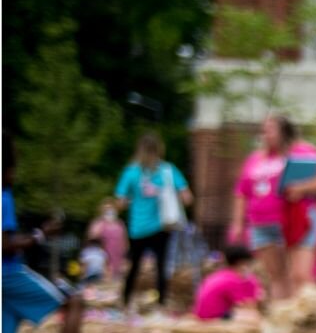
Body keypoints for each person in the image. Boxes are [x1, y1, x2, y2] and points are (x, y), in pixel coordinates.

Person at [229, 114, 316, 301]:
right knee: (276, 277)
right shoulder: (255, 159)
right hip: (262, 224)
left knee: (300, 275)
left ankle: (304, 318)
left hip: (298, 221)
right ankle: (282, 318)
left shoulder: (304, 152)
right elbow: (242, 192)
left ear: (284, 131)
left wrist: (302, 188)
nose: (265, 134)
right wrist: (237, 223)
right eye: (264, 130)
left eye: (270, 130)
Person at [3, 184, 85, 333]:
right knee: (75, 302)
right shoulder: (4, 197)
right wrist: (41, 234)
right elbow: (5, 245)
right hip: (8, 274)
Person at [115, 133, 192, 312]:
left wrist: (130, 201)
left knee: (134, 266)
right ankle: (161, 304)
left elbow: (120, 202)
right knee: (161, 266)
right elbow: (187, 197)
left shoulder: (131, 172)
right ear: (159, 150)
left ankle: (125, 302)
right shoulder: (168, 170)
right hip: (161, 226)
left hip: (138, 227)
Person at [194, 245, 264, 322]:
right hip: (213, 318)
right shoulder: (233, 280)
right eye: (248, 263)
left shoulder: (220, 275)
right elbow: (248, 305)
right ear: (241, 263)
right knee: (253, 316)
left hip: (203, 315)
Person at [87, 198, 127, 282]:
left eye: (111, 208)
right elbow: (91, 237)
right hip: (103, 258)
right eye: (106, 209)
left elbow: (125, 241)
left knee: (117, 279)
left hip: (118, 257)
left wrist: (125, 257)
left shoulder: (119, 223)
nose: (110, 211)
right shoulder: (98, 223)